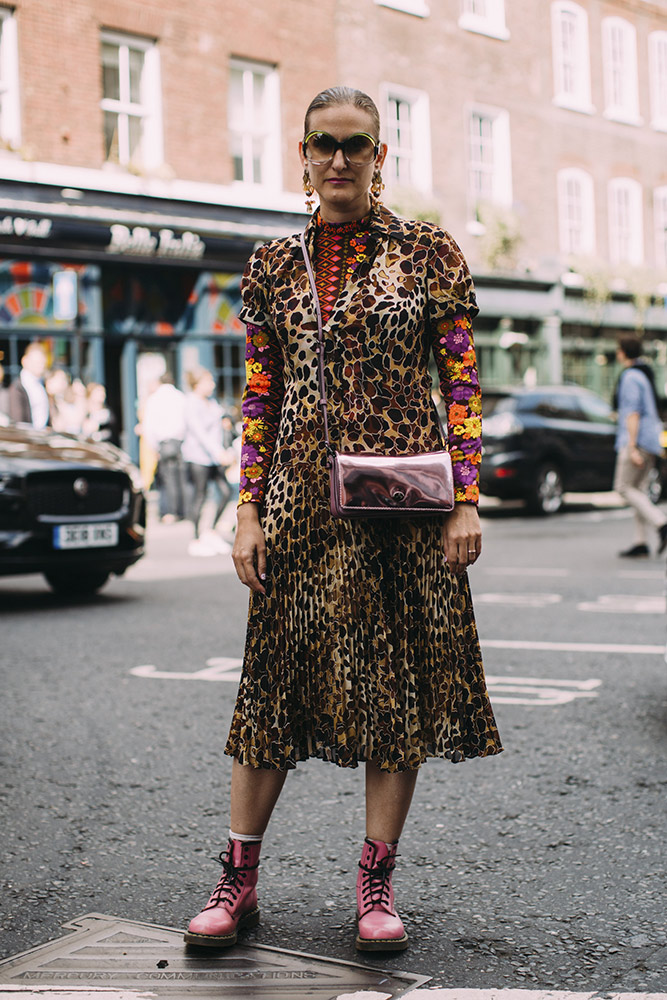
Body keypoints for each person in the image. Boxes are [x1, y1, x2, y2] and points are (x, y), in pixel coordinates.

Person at [185, 86, 502, 954]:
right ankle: (238, 879)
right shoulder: (272, 263)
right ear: (302, 152)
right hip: (294, 505)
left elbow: (462, 386)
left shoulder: (429, 251)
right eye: (323, 144)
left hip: (401, 507)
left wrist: (466, 497)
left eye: (354, 145)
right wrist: (245, 509)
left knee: (394, 692)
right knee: (272, 691)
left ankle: (374, 885)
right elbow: (260, 393)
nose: (338, 159)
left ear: (379, 156)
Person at [613, 335, 667, 558]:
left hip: (638, 440)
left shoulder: (631, 377)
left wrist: (632, 446)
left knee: (623, 487)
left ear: (624, 352)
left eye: (618, 350)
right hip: (651, 439)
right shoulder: (645, 374)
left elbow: (633, 412)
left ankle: (661, 523)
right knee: (640, 491)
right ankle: (641, 542)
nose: (617, 354)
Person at [182, 367, 233, 556]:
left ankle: (209, 531)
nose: (212, 385)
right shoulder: (191, 403)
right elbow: (200, 433)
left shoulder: (212, 402)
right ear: (197, 384)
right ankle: (195, 539)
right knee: (200, 496)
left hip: (215, 457)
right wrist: (219, 452)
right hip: (198, 457)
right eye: (208, 381)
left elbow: (220, 426)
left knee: (226, 492)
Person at [141, 373, 187, 523]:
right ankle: (182, 511)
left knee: (167, 478)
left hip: (164, 442)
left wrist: (154, 447)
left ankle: (170, 512)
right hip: (180, 442)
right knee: (180, 477)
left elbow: (149, 426)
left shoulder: (154, 399)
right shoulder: (181, 397)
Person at [7, 343, 50, 428]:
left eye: (42, 362)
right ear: (25, 361)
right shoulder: (18, 386)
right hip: (27, 437)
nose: (41, 365)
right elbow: (19, 421)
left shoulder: (43, 383)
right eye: (37, 362)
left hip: (42, 436)